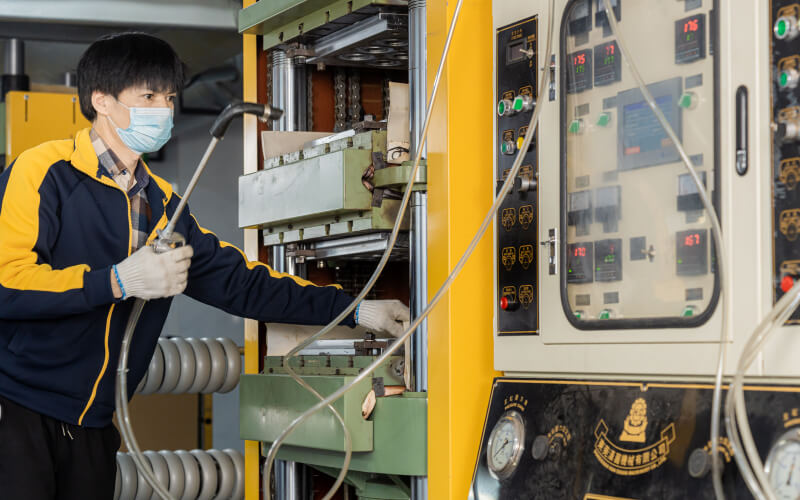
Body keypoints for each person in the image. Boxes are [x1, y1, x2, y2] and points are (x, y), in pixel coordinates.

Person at [0, 32, 409, 500]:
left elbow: (242, 284)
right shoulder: (42, 172)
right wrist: (115, 281)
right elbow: (7, 283)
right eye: (148, 96)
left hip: (94, 425)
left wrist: (357, 310)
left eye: (169, 97)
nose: (164, 110)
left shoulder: (164, 204)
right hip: (17, 412)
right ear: (102, 101)